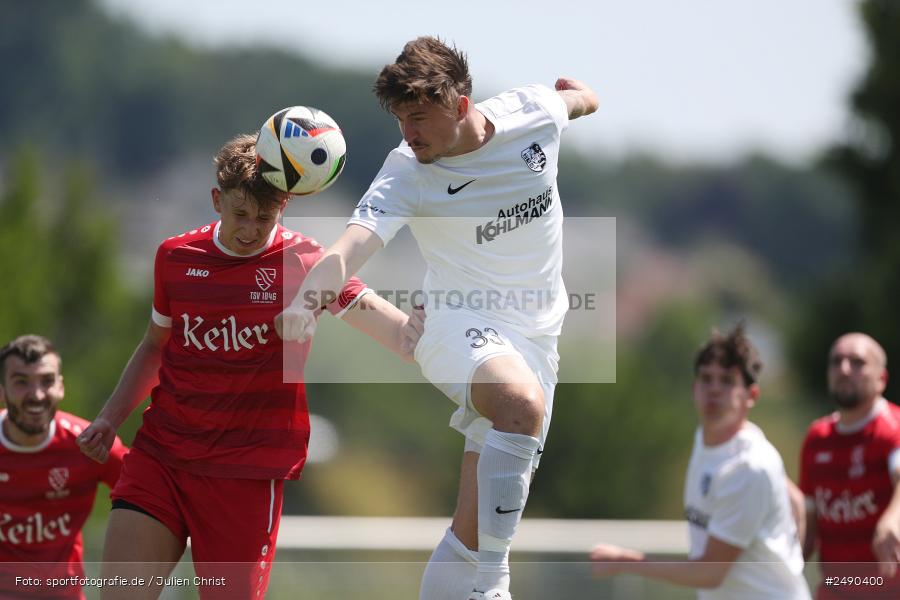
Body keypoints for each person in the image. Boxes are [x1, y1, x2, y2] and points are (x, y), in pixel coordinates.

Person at [274, 36, 598, 600]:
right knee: (520, 406)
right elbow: (350, 247)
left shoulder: (533, 114)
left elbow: (576, 102)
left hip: (538, 340)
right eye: (402, 120)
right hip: (452, 323)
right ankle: (496, 585)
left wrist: (580, 95)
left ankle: (477, 576)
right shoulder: (406, 171)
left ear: (462, 105)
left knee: (468, 538)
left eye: (419, 117)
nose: (409, 134)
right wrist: (305, 300)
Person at [76, 133, 420, 600]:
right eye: (240, 213)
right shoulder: (176, 257)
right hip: (162, 457)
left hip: (247, 476)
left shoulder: (306, 263)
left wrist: (420, 331)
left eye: (265, 217)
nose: (250, 229)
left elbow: (390, 329)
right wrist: (110, 418)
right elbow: (155, 345)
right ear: (217, 200)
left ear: (283, 210)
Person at [590, 324, 810, 599]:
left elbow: (709, 574)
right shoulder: (711, 440)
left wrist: (627, 561)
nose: (714, 389)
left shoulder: (749, 466)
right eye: (707, 378)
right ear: (695, 388)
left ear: (751, 396)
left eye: (727, 380)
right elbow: (796, 501)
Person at [0, 334, 127, 599]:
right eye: (21, 382)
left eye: (46, 381)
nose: (36, 395)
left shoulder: (88, 444)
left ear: (61, 387)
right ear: (2, 389)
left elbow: (148, 494)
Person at [800, 332, 900, 599]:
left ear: (882, 379)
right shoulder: (817, 438)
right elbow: (808, 526)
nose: (844, 369)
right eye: (836, 361)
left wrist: (893, 517)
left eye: (857, 362)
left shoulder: (893, 427)